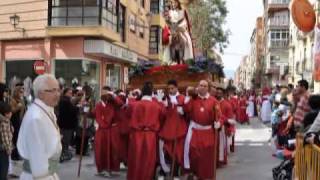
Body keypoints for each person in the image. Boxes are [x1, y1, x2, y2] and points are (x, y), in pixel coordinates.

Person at [17, 74, 62, 180]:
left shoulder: (46, 110)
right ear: (41, 94)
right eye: (53, 90)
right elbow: (38, 162)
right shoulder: (36, 118)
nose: (57, 94)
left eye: (58, 90)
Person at [183, 80, 220, 179]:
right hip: (194, 131)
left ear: (208, 88)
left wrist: (218, 123)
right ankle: (194, 174)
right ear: (197, 87)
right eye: (201, 85)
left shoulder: (213, 101)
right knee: (194, 154)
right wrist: (188, 97)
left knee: (206, 156)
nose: (202, 87)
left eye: (205, 86)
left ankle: (205, 176)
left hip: (208, 132)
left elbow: (219, 115)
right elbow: (186, 110)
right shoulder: (193, 99)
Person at [127, 82, 165, 180]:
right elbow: (163, 116)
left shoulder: (134, 104)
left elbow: (127, 113)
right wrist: (160, 101)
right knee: (148, 160)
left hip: (136, 135)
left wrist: (132, 98)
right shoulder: (156, 106)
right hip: (150, 135)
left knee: (135, 158)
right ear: (152, 93)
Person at [158, 80, 186, 178]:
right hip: (167, 130)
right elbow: (160, 114)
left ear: (176, 88)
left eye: (172, 88)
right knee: (165, 152)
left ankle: (175, 174)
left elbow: (188, 112)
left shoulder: (183, 98)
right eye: (169, 89)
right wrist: (162, 104)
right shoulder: (165, 98)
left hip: (179, 130)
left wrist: (183, 111)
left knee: (177, 153)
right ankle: (163, 171)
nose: (170, 90)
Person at [94, 86, 123, 177]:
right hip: (102, 130)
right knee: (100, 150)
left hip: (111, 130)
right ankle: (101, 169)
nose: (104, 95)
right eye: (103, 93)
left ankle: (111, 169)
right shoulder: (98, 104)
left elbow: (121, 103)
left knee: (111, 150)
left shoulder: (113, 103)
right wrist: (85, 110)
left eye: (106, 93)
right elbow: (94, 114)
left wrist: (113, 95)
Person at [57, 87, 79, 162]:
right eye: (69, 93)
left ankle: (64, 154)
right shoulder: (65, 101)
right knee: (65, 141)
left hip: (66, 124)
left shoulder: (66, 100)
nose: (71, 94)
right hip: (66, 125)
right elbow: (70, 111)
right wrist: (77, 108)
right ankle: (62, 155)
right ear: (65, 93)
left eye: (71, 93)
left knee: (66, 140)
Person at [9, 83, 26, 177]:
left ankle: (17, 153)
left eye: (22, 92)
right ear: (16, 92)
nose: (21, 93)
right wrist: (18, 107)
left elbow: (23, 110)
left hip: (20, 121)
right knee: (15, 137)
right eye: (20, 91)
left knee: (19, 137)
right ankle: (14, 154)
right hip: (14, 121)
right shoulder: (13, 100)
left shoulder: (21, 100)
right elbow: (11, 111)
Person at [0, 102, 13, 180]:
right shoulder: (4, 123)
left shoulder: (6, 121)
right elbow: (5, 138)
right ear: (5, 114)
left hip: (3, 149)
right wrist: (9, 149)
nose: (11, 113)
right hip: (4, 149)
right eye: (10, 112)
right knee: (4, 168)